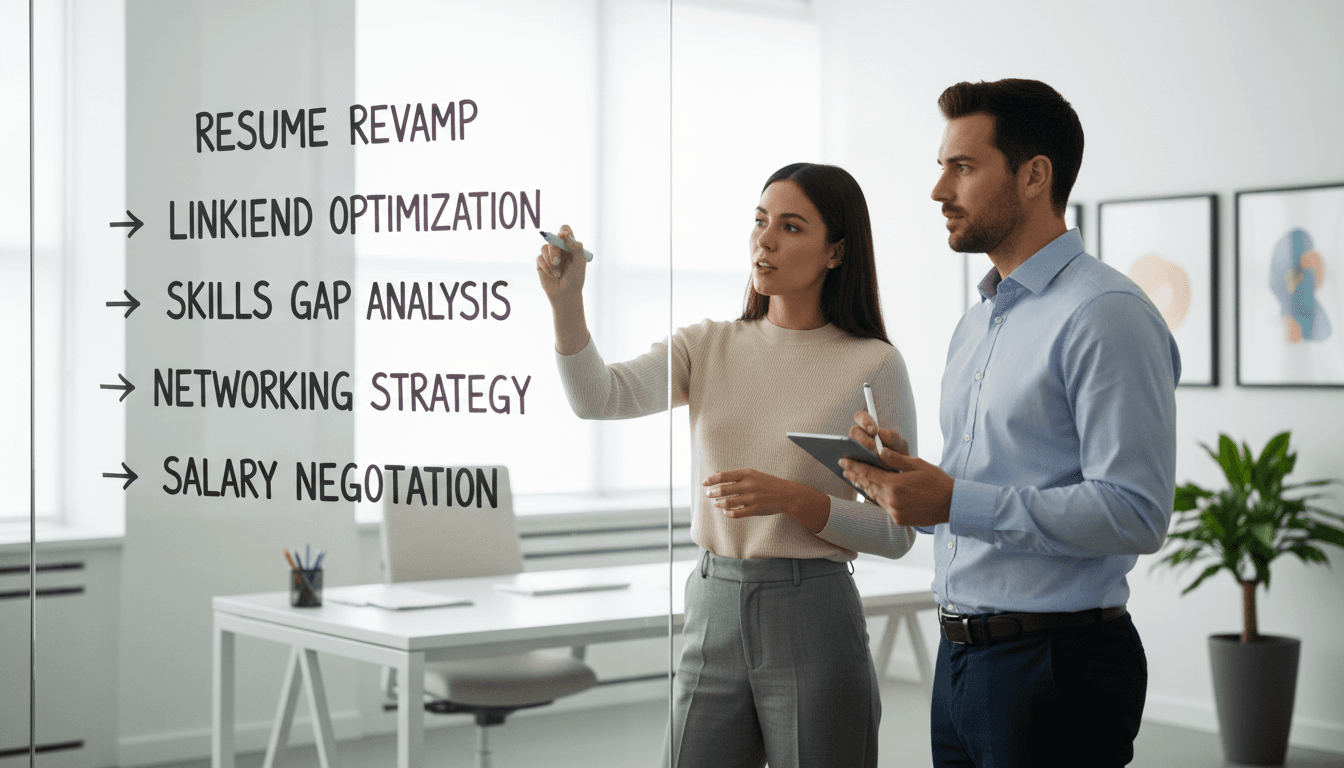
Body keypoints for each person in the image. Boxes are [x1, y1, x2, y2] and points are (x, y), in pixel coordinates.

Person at [840, 79, 1181, 768]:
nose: (939, 190)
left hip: (1057, 667)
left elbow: (1135, 513)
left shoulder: (1105, 315)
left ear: (1034, 176)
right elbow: (982, 491)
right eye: (942, 167)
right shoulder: (977, 325)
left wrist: (954, 501)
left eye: (962, 167)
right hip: (961, 661)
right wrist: (916, 486)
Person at [535, 163, 917, 768]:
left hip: (814, 612)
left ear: (837, 252)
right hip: (712, 604)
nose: (765, 240)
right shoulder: (707, 345)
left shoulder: (873, 364)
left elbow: (898, 532)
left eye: (791, 226)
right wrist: (567, 303)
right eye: (760, 221)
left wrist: (796, 500)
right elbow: (597, 398)